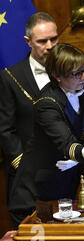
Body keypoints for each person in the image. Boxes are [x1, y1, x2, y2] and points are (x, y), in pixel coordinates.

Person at [8, 43, 84, 228]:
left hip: (64, 186)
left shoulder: (82, 87)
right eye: (77, 73)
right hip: (35, 194)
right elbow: (67, 144)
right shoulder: (46, 104)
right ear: (57, 76)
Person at [0, 12, 58, 206]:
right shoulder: (9, 77)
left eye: (54, 39)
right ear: (28, 41)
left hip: (64, 174)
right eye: (42, 41)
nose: (50, 46)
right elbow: (5, 129)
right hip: (26, 180)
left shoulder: (70, 73)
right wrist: (22, 164)